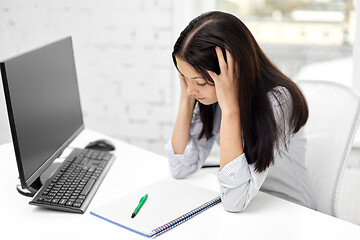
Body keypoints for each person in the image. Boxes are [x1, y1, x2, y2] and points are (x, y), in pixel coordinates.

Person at [164, 11, 314, 212]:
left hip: (288, 208)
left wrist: (230, 110)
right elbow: (180, 167)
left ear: (233, 71)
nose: (191, 89)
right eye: (184, 77)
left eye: (199, 82)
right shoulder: (209, 98)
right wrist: (186, 99)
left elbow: (235, 201)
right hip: (249, 208)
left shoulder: (278, 101)